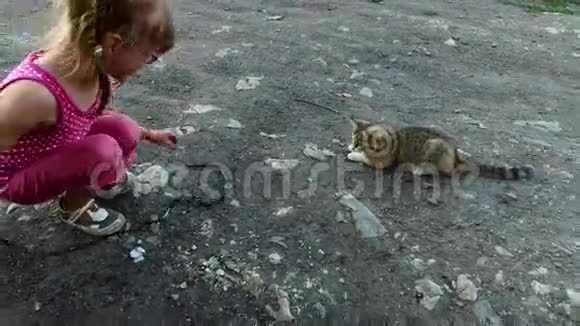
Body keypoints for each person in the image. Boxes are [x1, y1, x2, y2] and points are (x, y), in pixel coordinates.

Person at [0, 0, 178, 236]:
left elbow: (86, 117)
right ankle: (75, 207)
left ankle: (101, 179)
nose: (146, 66)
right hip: (16, 176)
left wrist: (148, 133)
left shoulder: (93, 66)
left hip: (52, 146)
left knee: (124, 129)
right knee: (100, 151)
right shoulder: (33, 95)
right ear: (114, 44)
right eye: (150, 57)